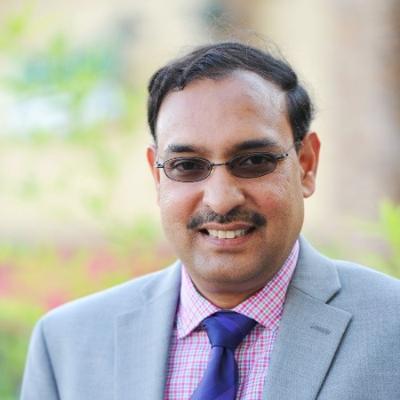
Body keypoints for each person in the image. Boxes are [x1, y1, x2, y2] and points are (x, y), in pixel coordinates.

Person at [21, 42, 400, 400]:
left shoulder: (391, 327)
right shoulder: (67, 345)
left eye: (254, 161)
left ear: (306, 165)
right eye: (187, 165)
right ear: (157, 177)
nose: (221, 199)